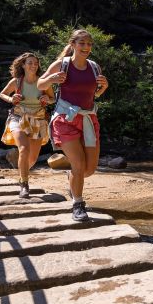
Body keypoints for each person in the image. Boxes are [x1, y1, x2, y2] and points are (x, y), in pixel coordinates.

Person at [38, 29, 109, 221]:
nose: (86, 47)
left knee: (89, 169)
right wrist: (51, 80)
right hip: (65, 119)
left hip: (88, 119)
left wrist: (104, 87)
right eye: (82, 43)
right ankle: (78, 205)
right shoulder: (62, 64)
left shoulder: (94, 67)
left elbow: (96, 94)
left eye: (89, 44)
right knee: (78, 163)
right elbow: (40, 84)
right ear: (73, 45)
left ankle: (71, 176)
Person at [0, 53, 55, 198]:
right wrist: (11, 98)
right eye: (30, 63)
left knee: (32, 159)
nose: (33, 65)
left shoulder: (43, 82)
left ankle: (21, 172)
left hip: (38, 118)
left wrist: (46, 99)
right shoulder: (17, 82)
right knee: (24, 148)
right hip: (18, 117)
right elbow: (2, 94)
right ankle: (24, 185)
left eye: (36, 63)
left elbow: (53, 98)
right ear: (23, 65)